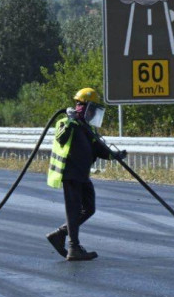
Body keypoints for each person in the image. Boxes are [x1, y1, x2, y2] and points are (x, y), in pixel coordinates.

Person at [46, 87, 125, 261]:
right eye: (92, 109)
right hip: (70, 174)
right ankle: (73, 248)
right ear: (84, 106)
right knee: (74, 210)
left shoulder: (86, 128)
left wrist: (114, 155)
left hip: (82, 175)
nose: (93, 114)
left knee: (89, 208)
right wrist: (70, 121)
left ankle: (60, 234)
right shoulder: (66, 123)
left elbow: (99, 149)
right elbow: (60, 138)